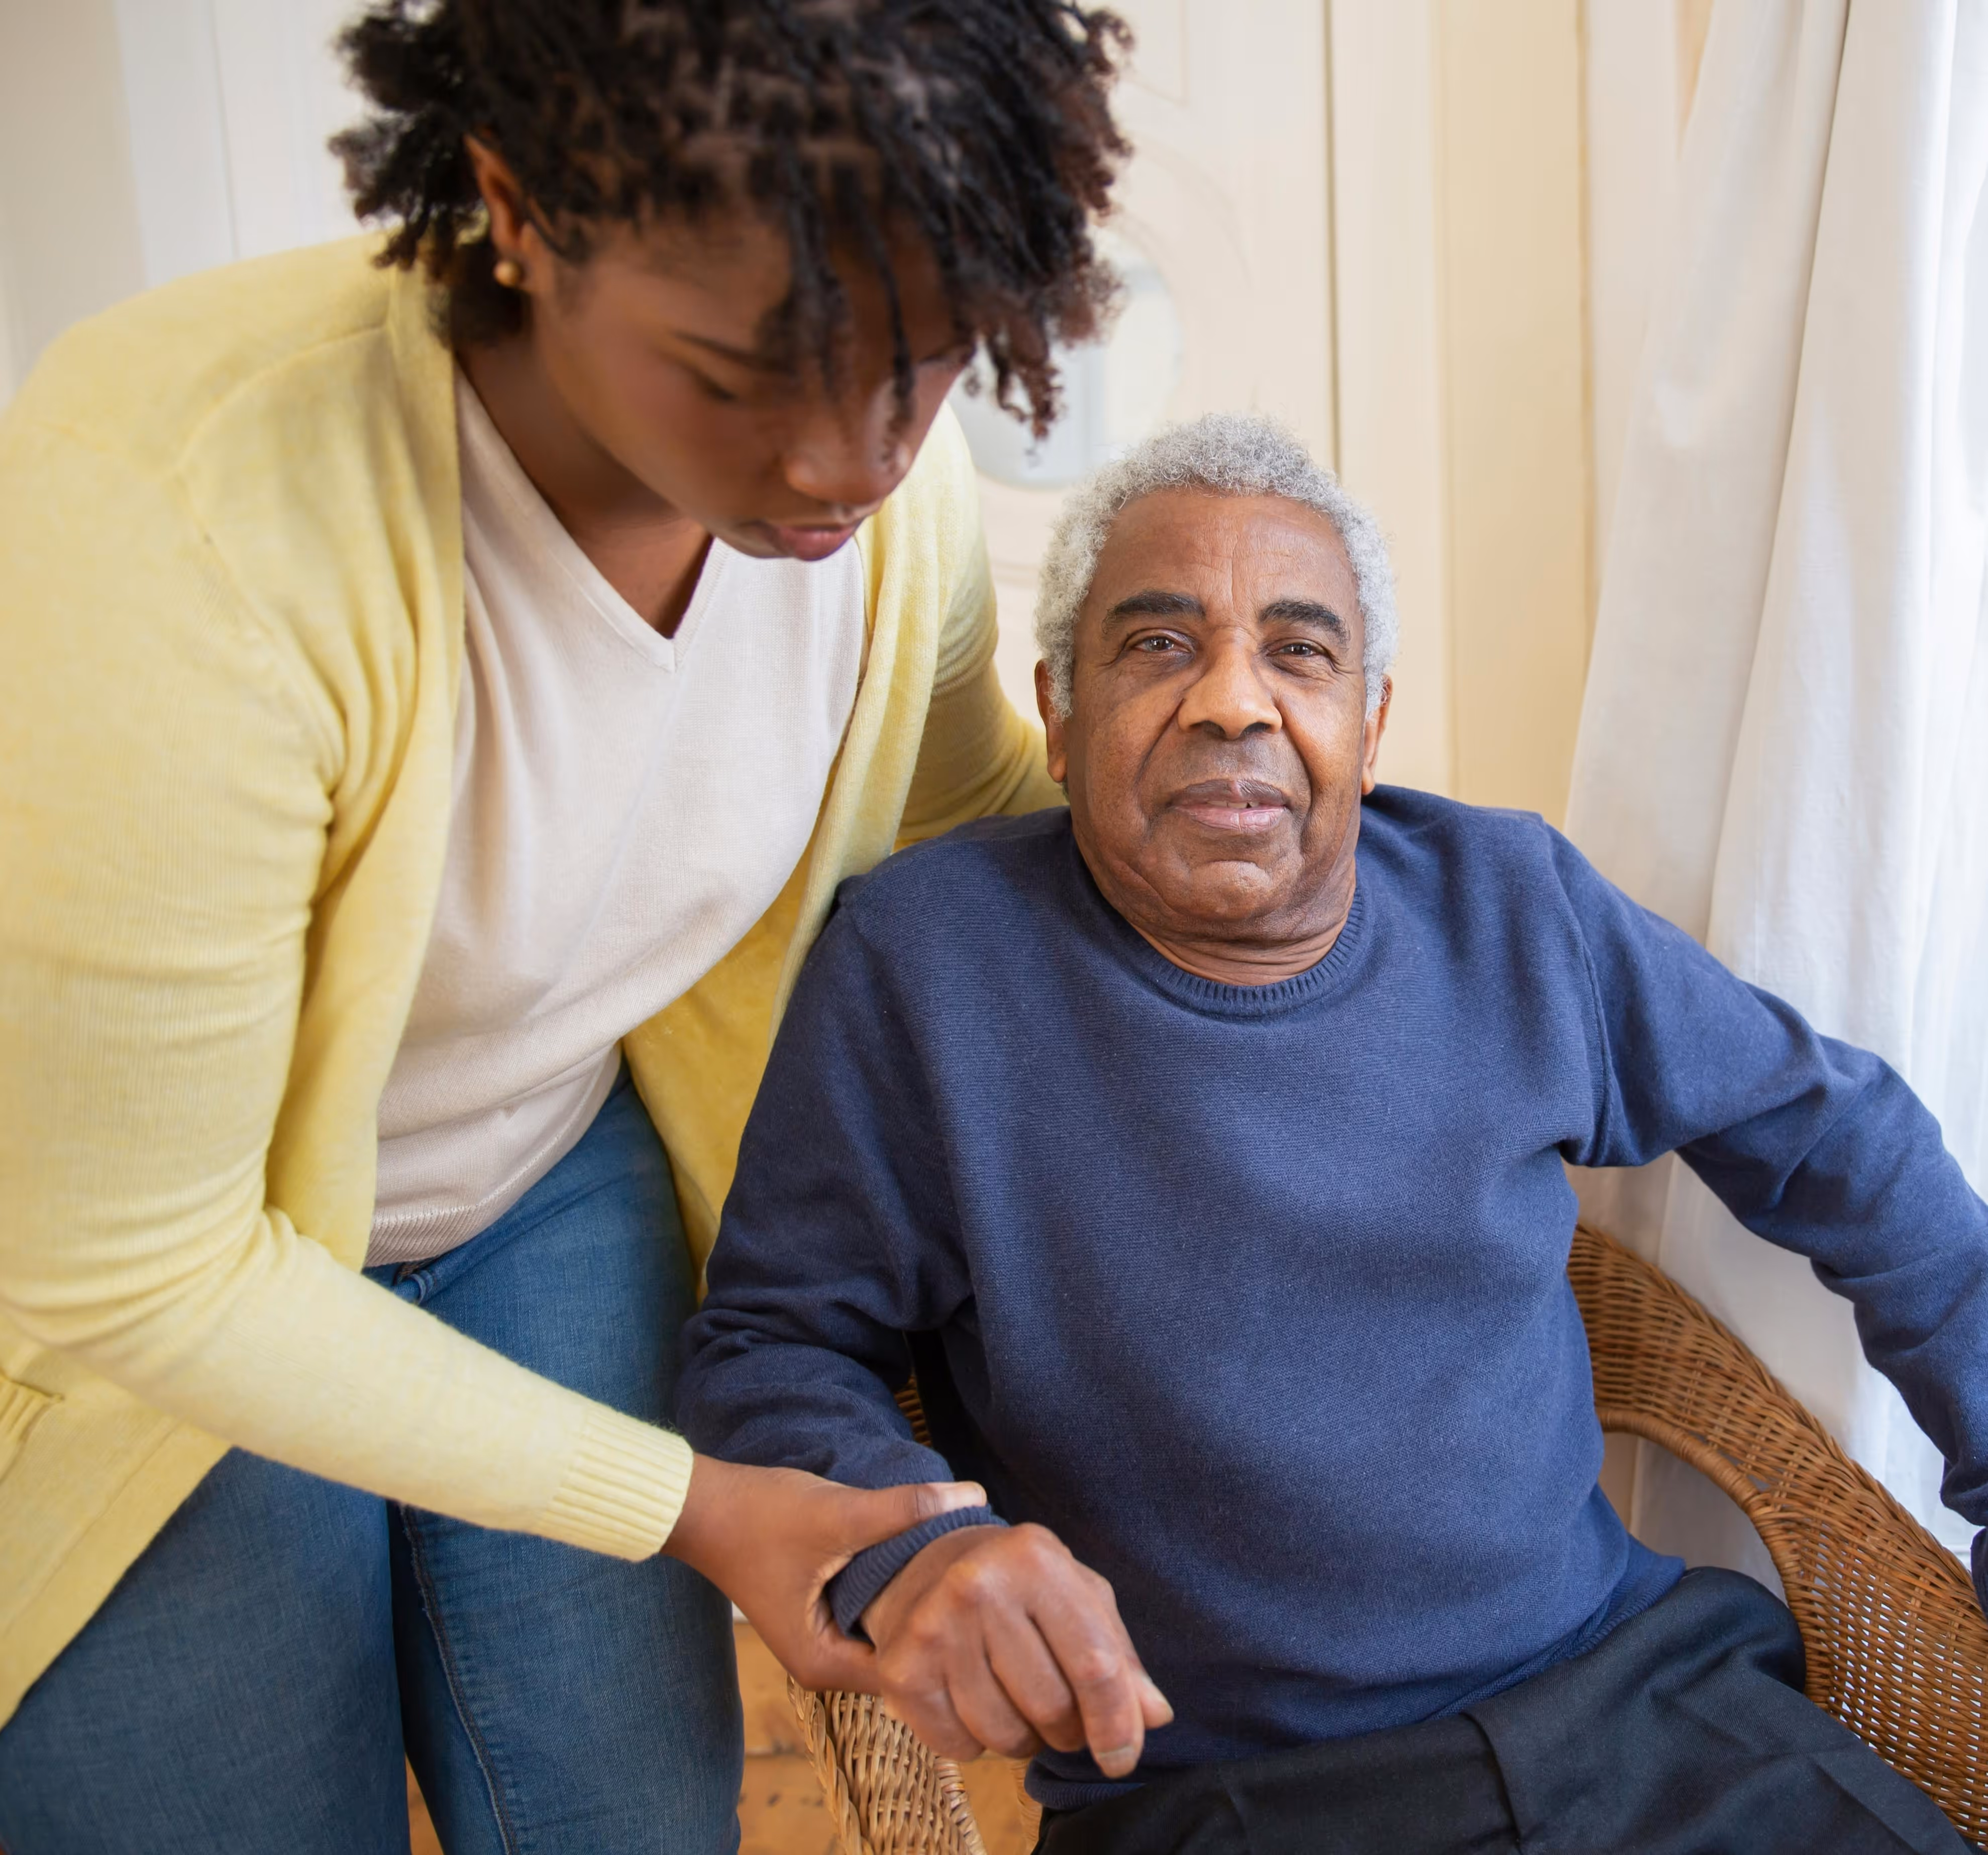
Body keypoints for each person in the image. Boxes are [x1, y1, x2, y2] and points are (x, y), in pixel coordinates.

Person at [0, 3, 1131, 1849]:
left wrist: (1368, 875)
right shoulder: (180, 505)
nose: (845, 460)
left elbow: (964, 809)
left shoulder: (882, 506)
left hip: (535, 1168)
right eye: (738, 374)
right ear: (521, 207)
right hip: (134, 1296)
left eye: (921, 370)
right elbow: (132, 1260)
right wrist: (688, 1502)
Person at [678, 413, 1988, 1854]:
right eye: (1158, 645)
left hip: (1638, 1712)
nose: (1231, 701)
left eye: (1297, 651)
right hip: (1228, 1799)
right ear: (1054, 713)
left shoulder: (1509, 902)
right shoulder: (925, 964)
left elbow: (1837, 1140)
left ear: (1368, 724)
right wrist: (918, 1545)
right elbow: (768, 1343)